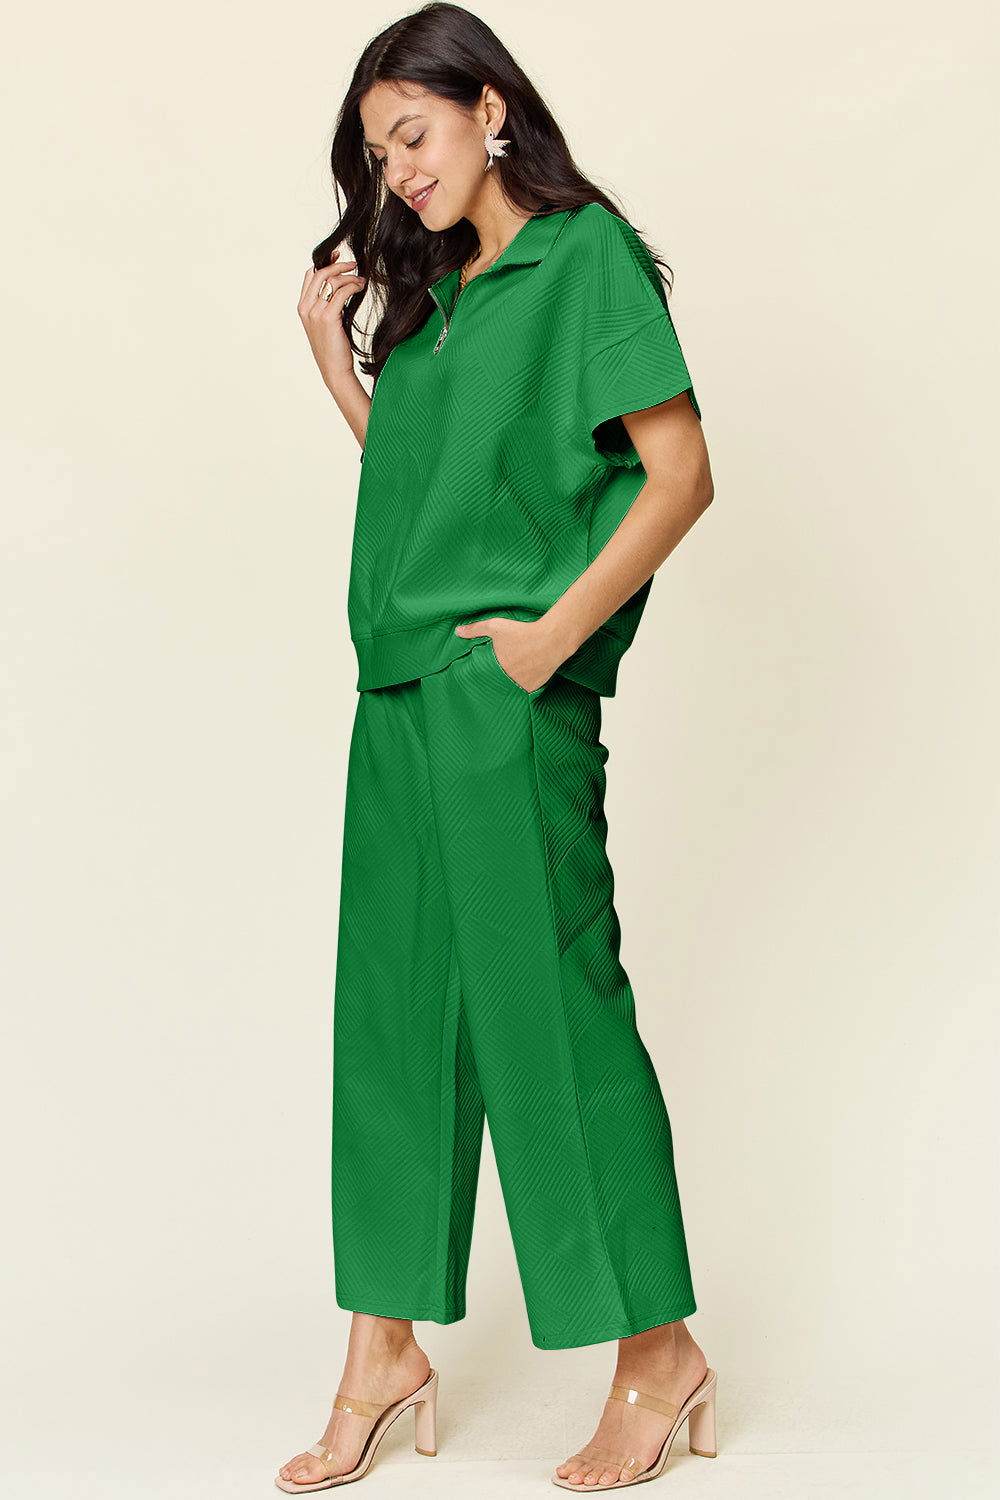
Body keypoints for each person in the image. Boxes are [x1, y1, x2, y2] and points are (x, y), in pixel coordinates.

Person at [278, 3, 717, 1491]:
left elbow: (680, 474)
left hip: (506, 702)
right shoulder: (439, 295)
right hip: (397, 689)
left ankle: (656, 1353)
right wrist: (337, 364)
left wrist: (547, 640)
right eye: (377, 153)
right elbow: (429, 492)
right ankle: (381, 1350)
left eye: (413, 133)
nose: (397, 170)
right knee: (392, 1025)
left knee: (555, 1025)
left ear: (490, 110)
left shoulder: (581, 260)